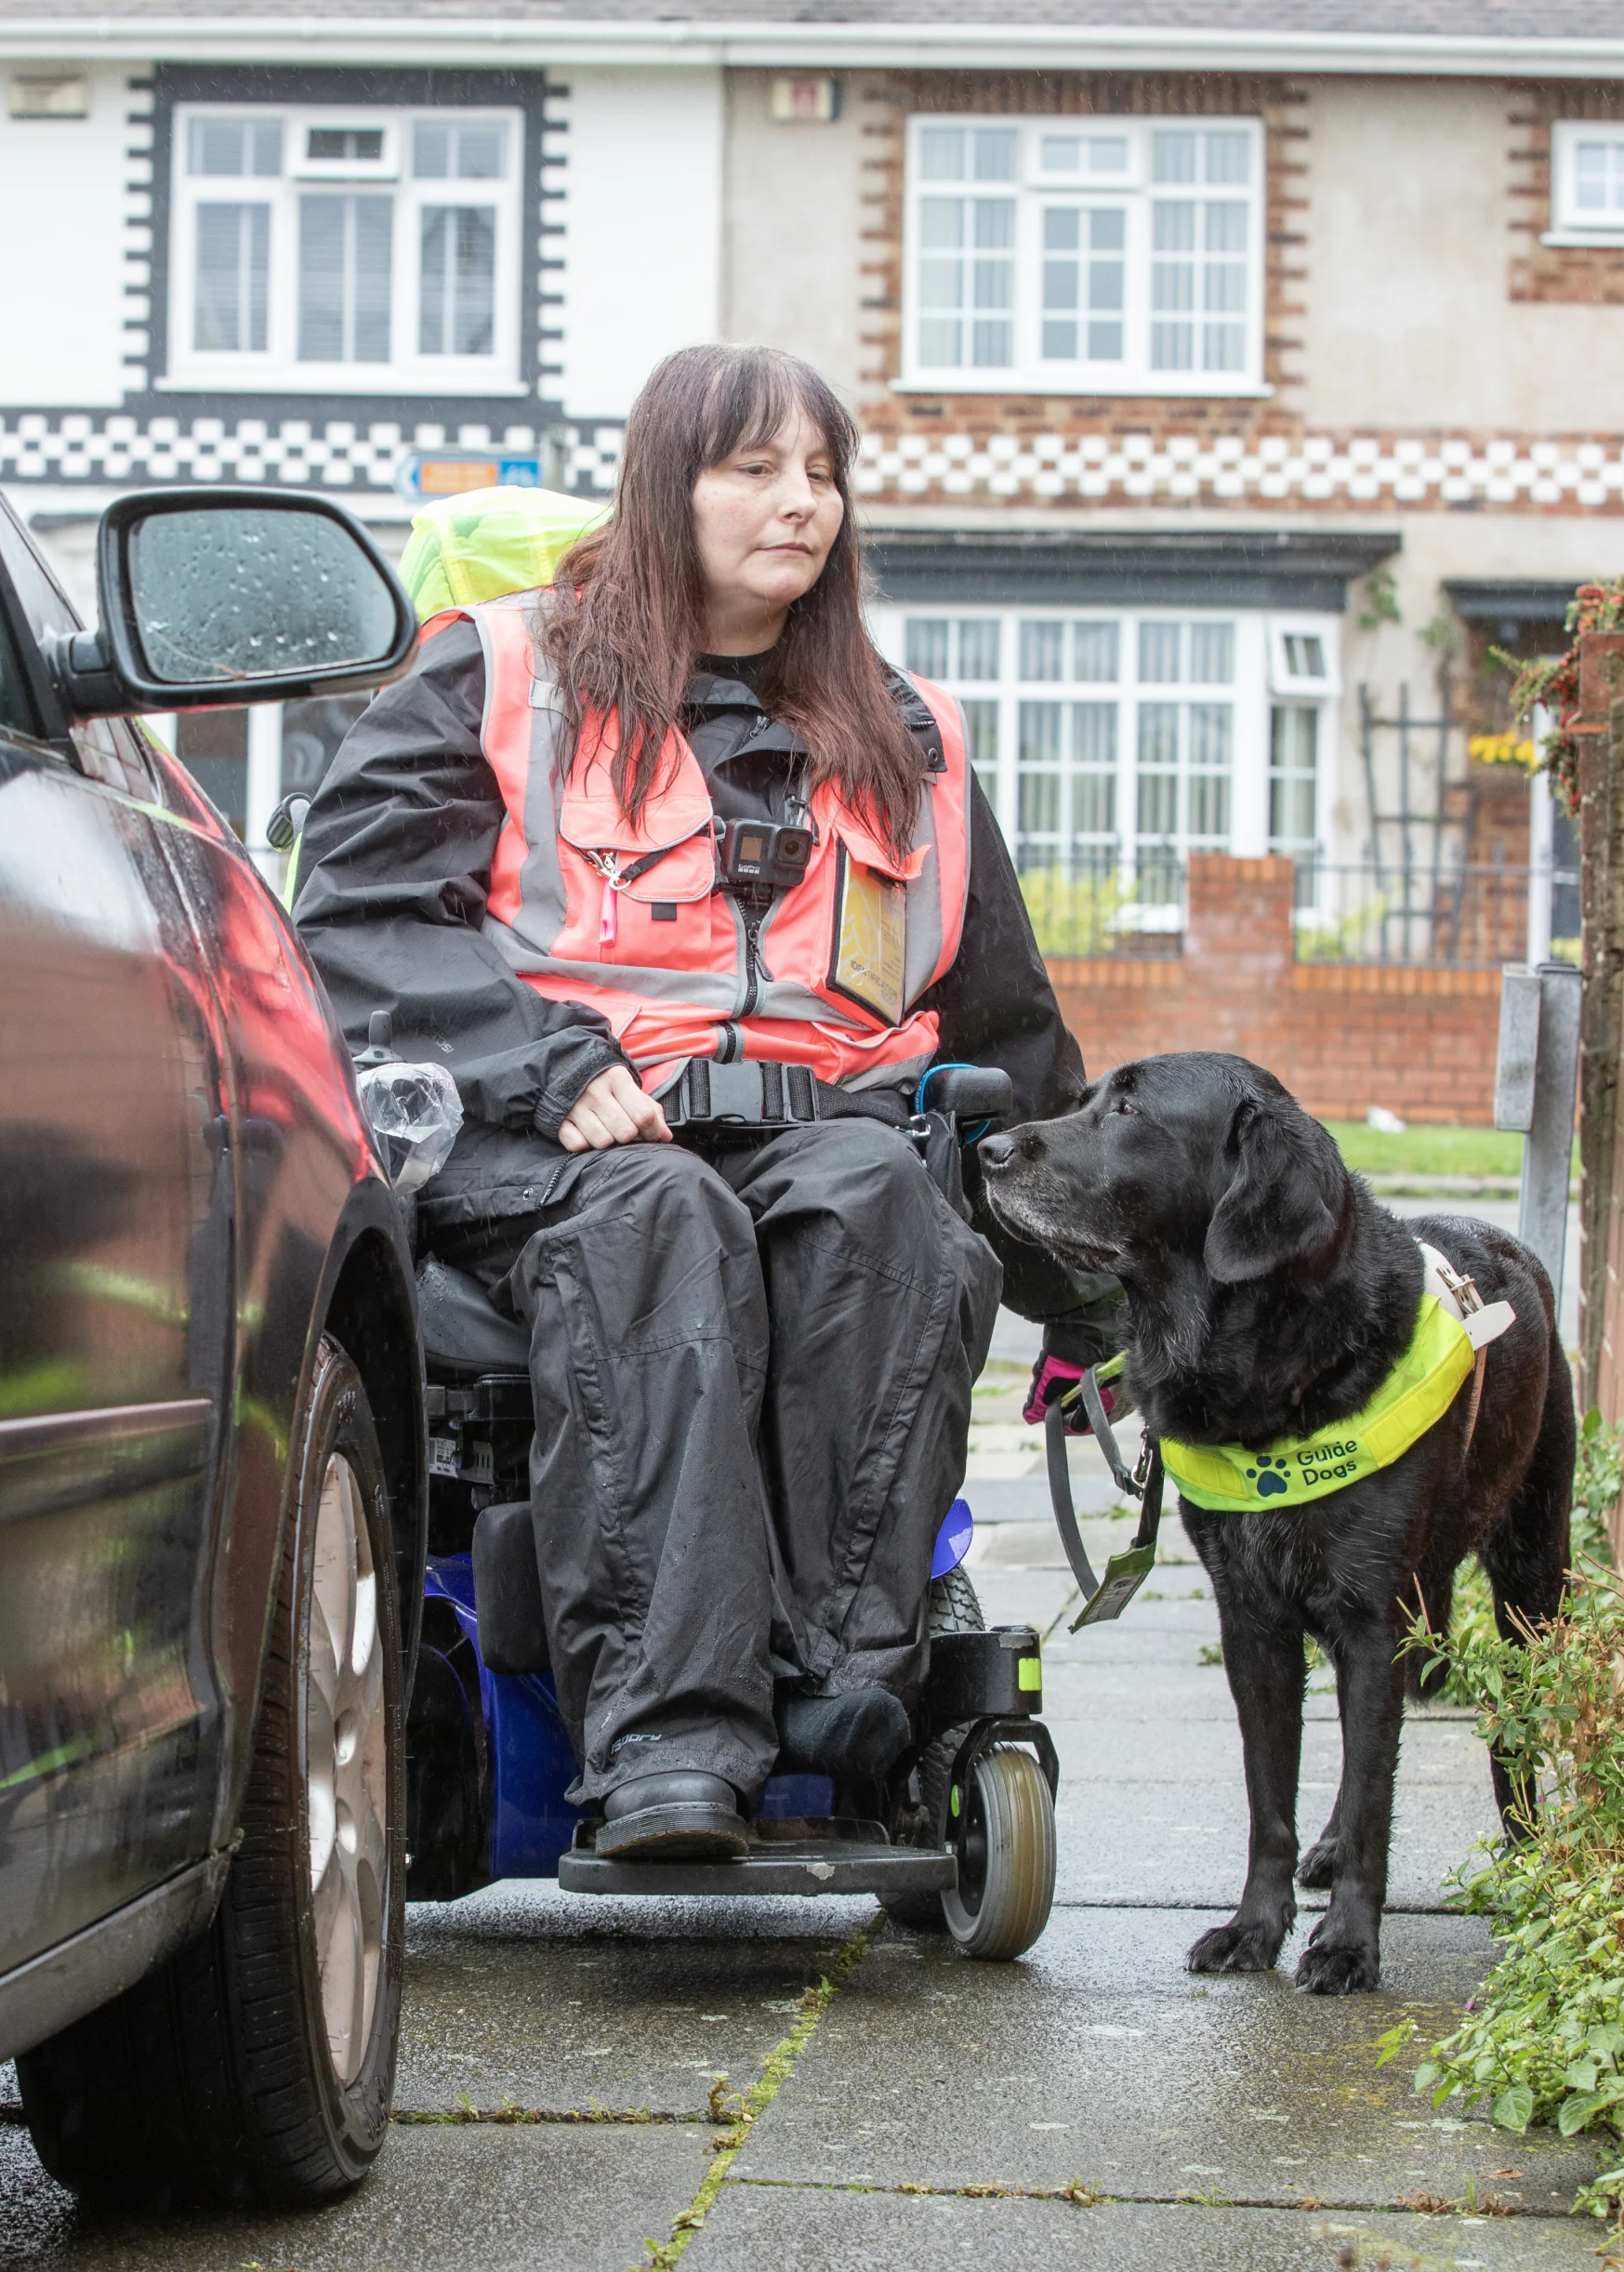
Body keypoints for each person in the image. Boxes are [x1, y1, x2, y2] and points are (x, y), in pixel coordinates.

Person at [294, 343, 1112, 1861]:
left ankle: (835, 1695)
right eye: (753, 468)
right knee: (664, 1217)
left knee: (890, 1211)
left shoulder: (911, 739)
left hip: (820, 1137)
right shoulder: (501, 675)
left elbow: (1007, 1019)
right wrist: (545, 1063)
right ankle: (668, 1746)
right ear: (666, 487)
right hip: (556, 1146)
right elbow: (350, 924)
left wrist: (1098, 1309)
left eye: (821, 471)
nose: (799, 503)